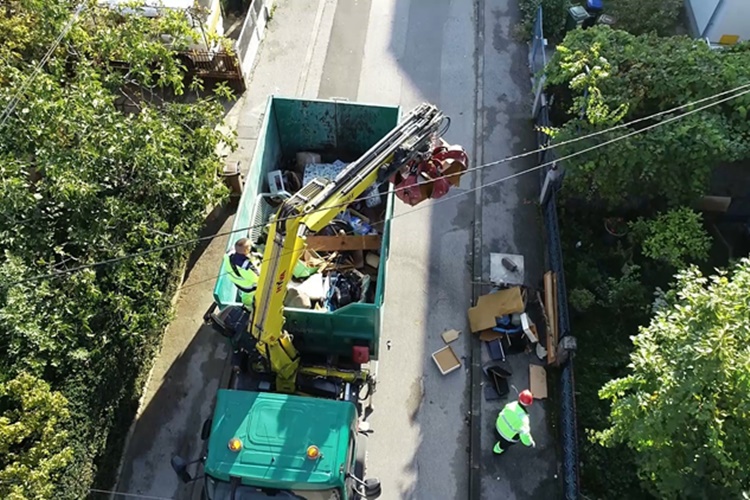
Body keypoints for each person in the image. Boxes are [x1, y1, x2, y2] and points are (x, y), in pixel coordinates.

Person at [493, 389, 536, 455]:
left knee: (497, 436)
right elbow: (524, 436)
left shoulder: (511, 405)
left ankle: (496, 442)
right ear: (528, 404)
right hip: (506, 438)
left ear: (519, 398)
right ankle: (496, 450)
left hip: (497, 426)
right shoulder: (524, 420)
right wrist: (530, 443)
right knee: (502, 445)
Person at [224, 238, 260, 310]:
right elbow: (257, 278)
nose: (251, 247)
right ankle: (249, 307)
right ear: (245, 251)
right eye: (249, 246)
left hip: (236, 280)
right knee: (249, 295)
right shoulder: (246, 267)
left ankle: (246, 303)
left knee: (245, 294)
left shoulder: (229, 254)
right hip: (247, 286)